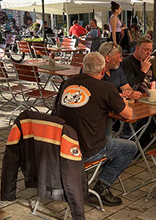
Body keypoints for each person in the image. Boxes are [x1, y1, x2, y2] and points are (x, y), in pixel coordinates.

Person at [55, 52, 136, 205]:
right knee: (130, 148)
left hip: (62, 145)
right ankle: (101, 188)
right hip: (86, 149)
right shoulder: (106, 88)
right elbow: (128, 115)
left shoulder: (68, 82)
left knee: (103, 128)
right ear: (103, 71)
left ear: (83, 67)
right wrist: (124, 102)